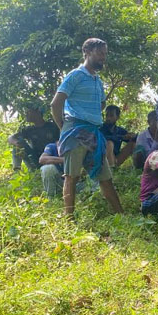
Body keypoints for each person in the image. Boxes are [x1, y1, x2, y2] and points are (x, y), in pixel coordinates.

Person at [50, 38, 123, 217]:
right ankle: (69, 220)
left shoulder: (98, 81)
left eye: (105, 54)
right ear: (87, 52)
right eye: (100, 53)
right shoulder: (75, 75)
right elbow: (55, 104)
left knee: (105, 177)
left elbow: (101, 104)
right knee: (71, 176)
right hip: (74, 130)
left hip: (93, 133)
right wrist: (63, 127)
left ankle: (121, 216)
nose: (103, 58)